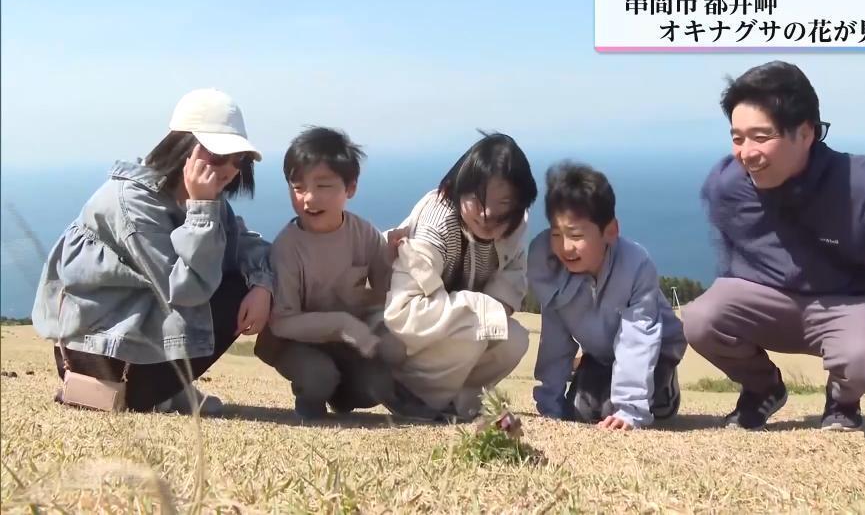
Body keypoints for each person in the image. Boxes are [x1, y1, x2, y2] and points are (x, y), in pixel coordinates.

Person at [684, 61, 865, 431]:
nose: (746, 153)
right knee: (701, 319)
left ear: (806, 133)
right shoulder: (727, 185)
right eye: (737, 138)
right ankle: (763, 388)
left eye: (761, 137)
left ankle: (843, 395)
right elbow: (732, 245)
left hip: (855, 304)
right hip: (772, 303)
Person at [32, 88, 274, 414]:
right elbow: (187, 292)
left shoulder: (200, 197)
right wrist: (202, 210)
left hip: (133, 351)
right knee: (227, 287)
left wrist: (262, 285)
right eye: (218, 156)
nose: (231, 169)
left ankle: (168, 393)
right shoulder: (133, 203)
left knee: (241, 282)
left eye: (239, 159)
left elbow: (245, 245)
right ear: (183, 147)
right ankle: (155, 394)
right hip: (106, 364)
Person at [254, 127, 412, 419]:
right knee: (319, 376)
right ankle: (311, 401)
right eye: (298, 187)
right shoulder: (287, 248)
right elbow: (283, 323)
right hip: (292, 344)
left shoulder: (363, 233)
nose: (309, 199)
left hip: (344, 343)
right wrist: (342, 324)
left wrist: (393, 257)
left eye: (323, 186)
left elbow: (386, 293)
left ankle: (343, 396)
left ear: (350, 188)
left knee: (381, 378)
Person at [383, 132, 538, 420]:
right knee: (478, 327)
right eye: (478, 199)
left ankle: (457, 404)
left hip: (446, 329)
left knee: (514, 338)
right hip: (397, 341)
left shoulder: (514, 226)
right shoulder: (437, 224)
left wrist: (489, 310)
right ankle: (411, 395)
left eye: (504, 203)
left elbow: (512, 278)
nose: (488, 214)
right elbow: (403, 313)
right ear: (456, 188)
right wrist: (482, 309)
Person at [528, 161, 686, 431]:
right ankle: (601, 382)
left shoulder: (636, 266)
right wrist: (550, 404)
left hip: (656, 349)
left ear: (610, 231)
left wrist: (630, 410)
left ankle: (664, 384)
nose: (565, 247)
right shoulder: (548, 264)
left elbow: (638, 337)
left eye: (576, 235)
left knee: (634, 411)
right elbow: (554, 337)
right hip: (601, 355)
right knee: (581, 411)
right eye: (556, 234)